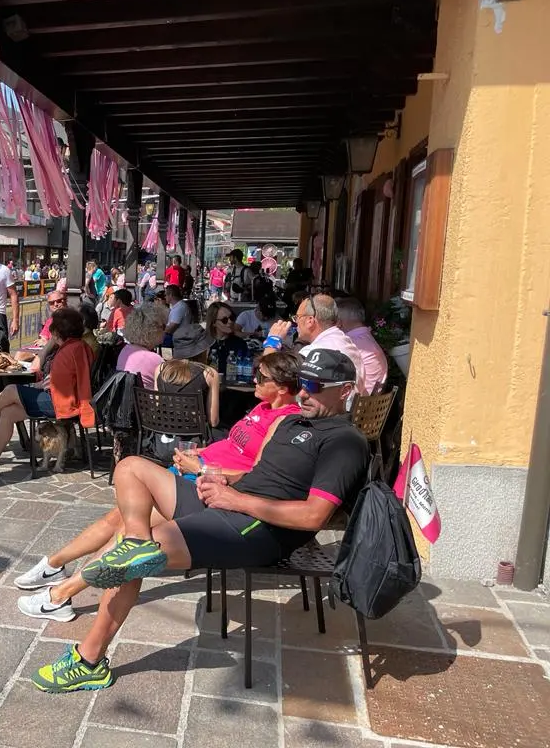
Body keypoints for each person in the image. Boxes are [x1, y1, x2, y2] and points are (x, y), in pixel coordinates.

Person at [24, 350, 369, 692]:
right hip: (228, 503)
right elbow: (258, 472)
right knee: (131, 467)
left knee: (127, 564)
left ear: (345, 390)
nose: (304, 391)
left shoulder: (344, 442)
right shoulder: (289, 420)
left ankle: (89, 661)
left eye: (315, 384)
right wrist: (224, 481)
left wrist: (237, 499)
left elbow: (314, 516)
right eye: (302, 382)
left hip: (257, 530)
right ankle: (137, 546)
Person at [0, 308, 95, 479]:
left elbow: (56, 382)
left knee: (10, 390)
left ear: (58, 332)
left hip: (61, 403)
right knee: (8, 412)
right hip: (61, 399)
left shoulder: (69, 351)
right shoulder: (78, 347)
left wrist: (42, 377)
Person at [170, 351, 302, 480]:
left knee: (150, 477)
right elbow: (232, 444)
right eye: (256, 373)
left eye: (261, 377)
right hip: (203, 463)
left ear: (283, 389)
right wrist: (198, 452)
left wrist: (199, 468)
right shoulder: (263, 406)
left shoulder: (286, 421)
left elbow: (257, 476)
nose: (255, 379)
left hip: (213, 478)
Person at [263, 294, 367, 395]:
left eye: (297, 317)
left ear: (310, 321)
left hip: (322, 412)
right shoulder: (347, 343)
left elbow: (269, 380)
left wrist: (272, 342)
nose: (296, 323)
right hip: (344, 410)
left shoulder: (314, 353)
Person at [336, 296, 388, 395]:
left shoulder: (351, 343)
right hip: (368, 403)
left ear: (339, 322)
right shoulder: (366, 338)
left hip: (356, 404)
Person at [115, 303, 167, 388]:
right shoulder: (155, 359)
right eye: (163, 326)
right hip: (149, 400)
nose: (165, 330)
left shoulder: (125, 351)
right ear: (153, 329)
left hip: (127, 399)